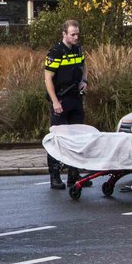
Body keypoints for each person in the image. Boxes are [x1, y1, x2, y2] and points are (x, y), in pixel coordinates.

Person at [43, 19, 88, 190]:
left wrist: (84, 80)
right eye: (73, 34)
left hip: (75, 98)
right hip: (60, 99)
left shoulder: (77, 49)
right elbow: (48, 79)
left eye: (77, 34)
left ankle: (73, 175)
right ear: (64, 34)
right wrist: (55, 102)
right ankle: (54, 176)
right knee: (58, 138)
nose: (76, 37)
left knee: (76, 138)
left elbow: (84, 65)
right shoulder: (56, 52)